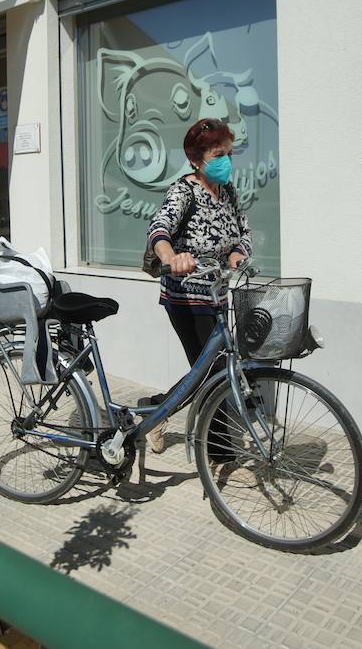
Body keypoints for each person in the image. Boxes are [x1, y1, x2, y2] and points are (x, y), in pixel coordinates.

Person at [144, 117, 255, 484]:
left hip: (218, 293)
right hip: (186, 297)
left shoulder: (229, 193)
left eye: (228, 153)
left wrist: (238, 254)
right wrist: (170, 257)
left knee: (205, 371)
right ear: (196, 160)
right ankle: (220, 454)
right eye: (217, 155)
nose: (226, 161)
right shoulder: (183, 192)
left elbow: (243, 233)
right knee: (212, 374)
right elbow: (159, 229)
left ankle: (154, 412)